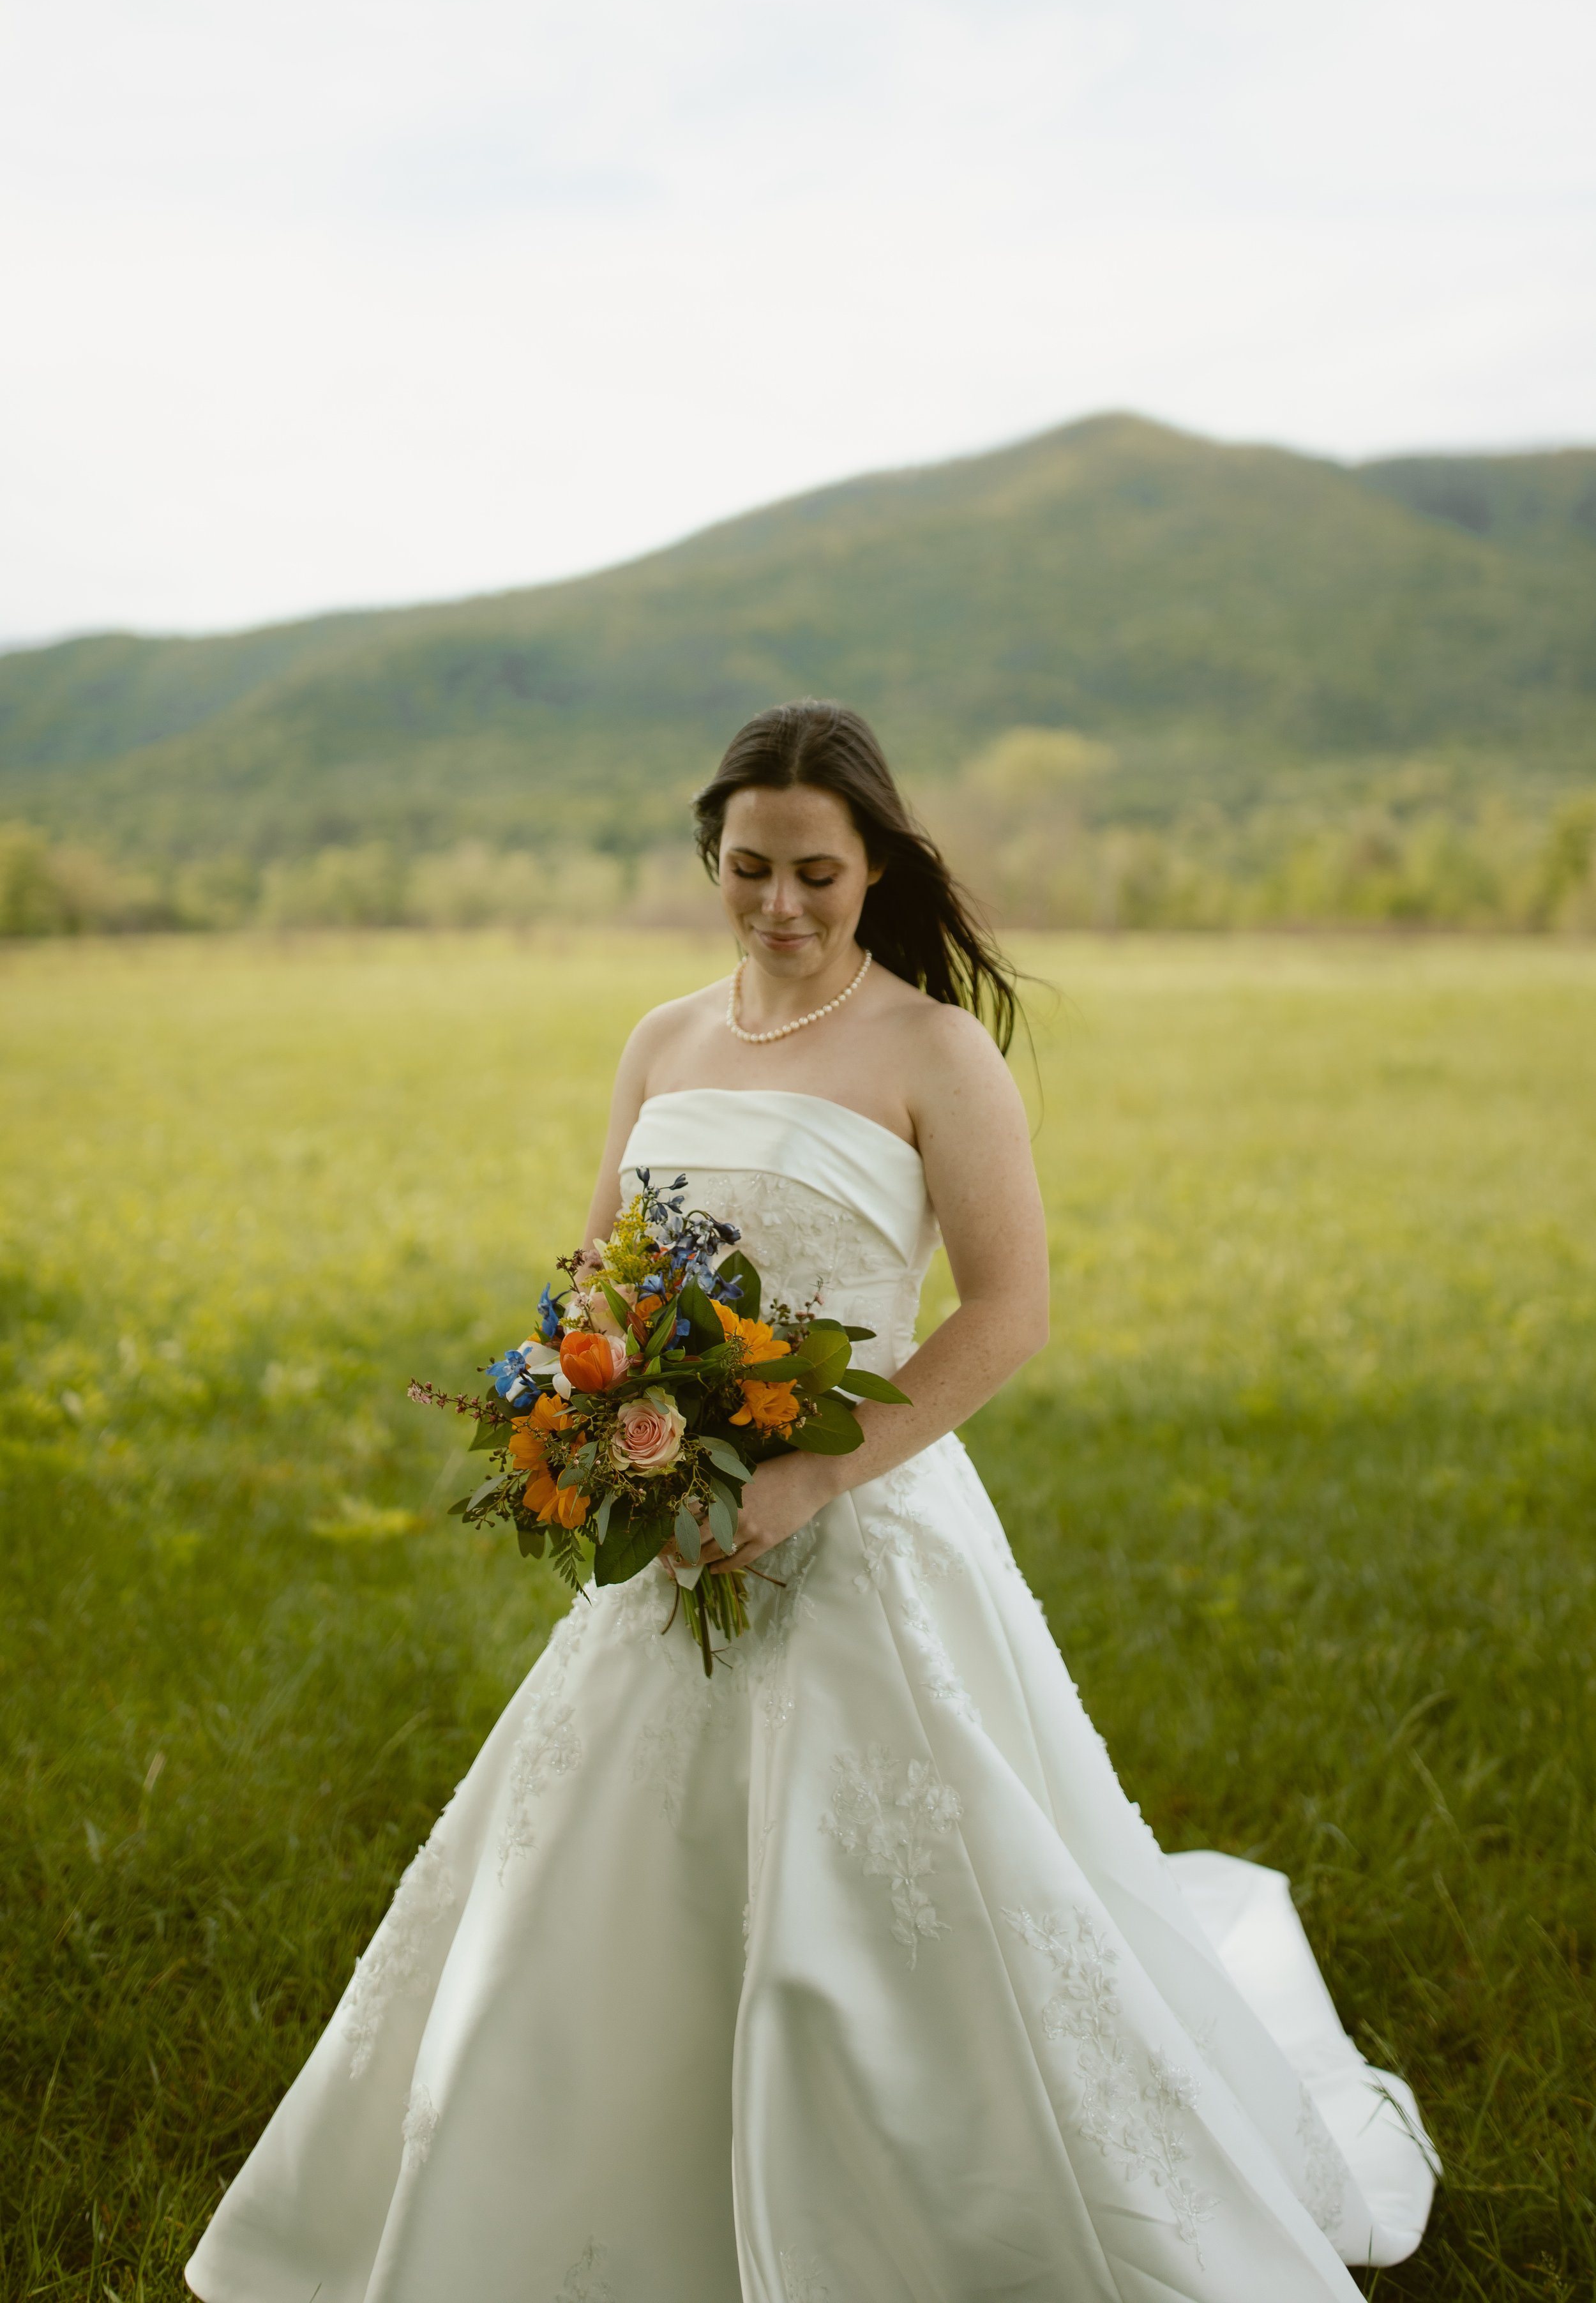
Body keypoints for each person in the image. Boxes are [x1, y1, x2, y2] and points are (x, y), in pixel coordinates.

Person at [186, 700, 1435, 2303]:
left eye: (817, 876)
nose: (780, 905)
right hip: (676, 1526)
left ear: (875, 868)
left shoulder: (934, 1049)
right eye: (749, 868)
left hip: (864, 1521)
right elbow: (602, 1277)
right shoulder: (661, 1038)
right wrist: (598, 1427)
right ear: (712, 855)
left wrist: (810, 1471)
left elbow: (1006, 1313)